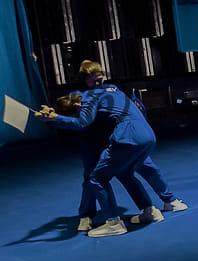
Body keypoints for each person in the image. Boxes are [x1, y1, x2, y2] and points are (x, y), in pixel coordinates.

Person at [37, 84, 159, 237]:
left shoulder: (88, 99)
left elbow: (82, 123)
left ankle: (114, 223)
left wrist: (54, 118)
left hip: (127, 137)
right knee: (126, 173)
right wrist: (53, 114)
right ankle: (149, 211)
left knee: (96, 177)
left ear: (78, 105)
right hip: (148, 135)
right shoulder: (110, 91)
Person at [77, 60, 189, 224]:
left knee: (147, 167)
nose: (97, 80)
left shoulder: (114, 90)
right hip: (98, 141)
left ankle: (167, 201)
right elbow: (81, 120)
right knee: (92, 176)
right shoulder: (83, 96)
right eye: (92, 78)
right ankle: (86, 216)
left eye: (99, 76)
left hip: (125, 139)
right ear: (86, 80)